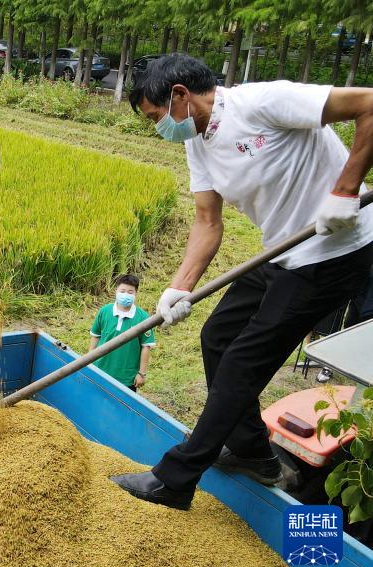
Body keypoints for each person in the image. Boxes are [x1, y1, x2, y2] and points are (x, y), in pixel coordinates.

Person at [109, 54, 373, 511]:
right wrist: (179, 287)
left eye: (155, 117)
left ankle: (176, 479)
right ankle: (253, 451)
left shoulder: (262, 103)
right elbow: (207, 222)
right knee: (217, 336)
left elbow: (369, 104)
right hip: (284, 248)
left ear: (179, 96)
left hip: (335, 251)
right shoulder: (197, 141)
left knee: (241, 363)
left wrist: (345, 191)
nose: (158, 129)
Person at [89, 274, 155, 392]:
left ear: (136, 293)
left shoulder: (143, 317)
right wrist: (89, 360)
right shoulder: (105, 311)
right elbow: (95, 336)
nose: (125, 295)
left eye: (130, 292)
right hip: (100, 370)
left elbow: (146, 347)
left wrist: (142, 373)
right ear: (116, 291)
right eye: (122, 291)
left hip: (127, 377)